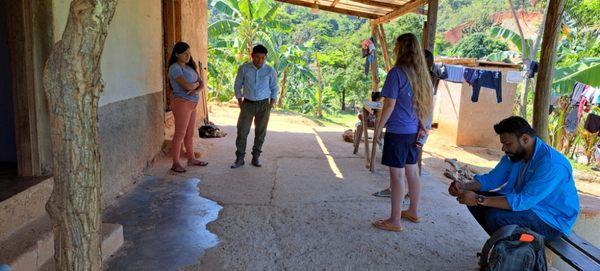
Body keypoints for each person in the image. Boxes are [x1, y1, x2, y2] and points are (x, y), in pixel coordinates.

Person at [449, 116, 579, 239]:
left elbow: (523, 201)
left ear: (525, 139)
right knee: (471, 196)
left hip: (551, 220)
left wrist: (478, 199)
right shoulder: (515, 155)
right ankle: (505, 245)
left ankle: (511, 251)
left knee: (495, 216)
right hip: (530, 206)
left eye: (508, 144)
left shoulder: (551, 164)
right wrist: (463, 186)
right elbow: (491, 180)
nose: (503, 148)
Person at [372, 33, 433, 232]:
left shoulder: (396, 73)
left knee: (397, 176)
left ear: (401, 49)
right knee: (412, 172)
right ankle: (413, 211)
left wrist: (379, 127)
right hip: (414, 131)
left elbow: (389, 104)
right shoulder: (423, 75)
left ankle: (394, 221)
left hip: (397, 132)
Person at [231, 44, 278, 168]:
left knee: (260, 132)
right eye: (257, 57)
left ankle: (256, 157)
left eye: (263, 58)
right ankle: (239, 159)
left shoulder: (270, 70)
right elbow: (237, 85)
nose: (260, 60)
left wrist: (270, 105)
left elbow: (274, 88)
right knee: (242, 131)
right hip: (247, 104)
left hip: (264, 105)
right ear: (252, 56)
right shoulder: (244, 68)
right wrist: (240, 102)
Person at [168, 42, 208, 173]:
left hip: (192, 103)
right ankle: (175, 163)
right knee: (180, 134)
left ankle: (191, 158)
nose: (188, 56)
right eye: (185, 53)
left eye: (189, 53)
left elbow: (202, 85)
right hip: (181, 103)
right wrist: (196, 85)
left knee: (189, 134)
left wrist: (196, 89)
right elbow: (187, 86)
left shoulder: (190, 67)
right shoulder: (175, 68)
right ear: (176, 54)